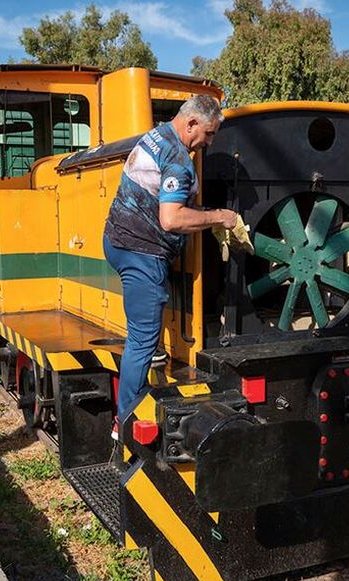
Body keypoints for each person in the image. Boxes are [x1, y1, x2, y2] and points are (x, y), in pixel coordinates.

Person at [103, 94, 238, 423]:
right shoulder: (178, 159)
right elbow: (172, 219)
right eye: (208, 134)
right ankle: (128, 423)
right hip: (142, 253)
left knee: (143, 332)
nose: (209, 142)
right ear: (191, 123)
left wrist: (203, 213)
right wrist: (220, 216)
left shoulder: (157, 134)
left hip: (119, 241)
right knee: (142, 339)